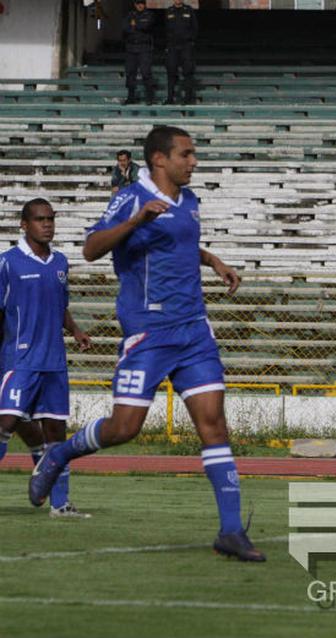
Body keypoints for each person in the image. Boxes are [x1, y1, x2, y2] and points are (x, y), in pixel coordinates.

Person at [29, 126, 266, 562]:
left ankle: (230, 531)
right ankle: (61, 453)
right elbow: (90, 249)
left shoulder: (189, 200)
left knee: (214, 424)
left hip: (194, 330)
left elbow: (179, 242)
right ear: (160, 159)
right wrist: (137, 220)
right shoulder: (131, 197)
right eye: (186, 155)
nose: (193, 162)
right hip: (149, 333)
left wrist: (213, 259)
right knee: (125, 429)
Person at [0, 198, 92, 518]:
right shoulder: (8, 263)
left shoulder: (60, 263)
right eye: (40, 219)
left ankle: (60, 504)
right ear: (24, 225)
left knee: (55, 434)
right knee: (5, 423)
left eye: (51, 218)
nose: (47, 224)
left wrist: (76, 331)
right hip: (19, 361)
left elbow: (60, 305)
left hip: (54, 362)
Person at [164, 0, 198, 105]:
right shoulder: (169, 11)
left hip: (186, 46)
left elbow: (195, 27)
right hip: (172, 46)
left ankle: (188, 99)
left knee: (187, 71)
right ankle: (170, 99)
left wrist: (191, 41)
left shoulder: (189, 10)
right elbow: (165, 29)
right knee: (171, 71)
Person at [123, 0, 155, 105]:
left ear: (145, 5)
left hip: (144, 47)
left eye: (142, 3)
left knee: (146, 72)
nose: (140, 5)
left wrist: (134, 25)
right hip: (131, 48)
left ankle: (149, 97)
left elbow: (146, 26)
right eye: (138, 3)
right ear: (135, 4)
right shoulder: (130, 14)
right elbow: (125, 28)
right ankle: (130, 97)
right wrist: (138, 25)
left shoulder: (149, 14)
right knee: (130, 73)